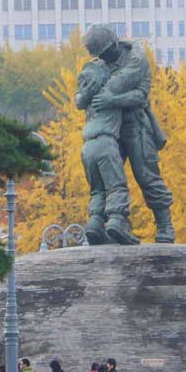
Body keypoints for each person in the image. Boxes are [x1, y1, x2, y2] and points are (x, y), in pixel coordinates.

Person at [83, 23, 175, 244]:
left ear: (115, 43)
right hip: (108, 129)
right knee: (107, 178)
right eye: (100, 55)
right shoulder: (99, 66)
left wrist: (112, 100)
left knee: (147, 175)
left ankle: (164, 225)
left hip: (135, 125)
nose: (103, 58)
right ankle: (105, 224)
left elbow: (140, 96)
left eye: (106, 52)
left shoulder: (137, 60)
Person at [75, 59, 143, 245]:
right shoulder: (109, 90)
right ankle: (117, 221)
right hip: (106, 142)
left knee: (97, 189)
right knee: (116, 186)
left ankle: (95, 222)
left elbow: (78, 100)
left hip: (87, 148)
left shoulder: (87, 97)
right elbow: (138, 97)